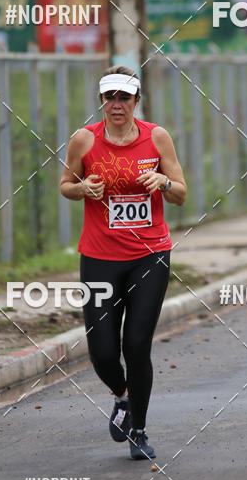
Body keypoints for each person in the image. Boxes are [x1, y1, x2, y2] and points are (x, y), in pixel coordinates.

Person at [59, 66, 187, 460]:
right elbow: (65, 186)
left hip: (150, 255)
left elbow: (181, 193)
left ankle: (139, 432)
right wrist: (83, 188)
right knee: (101, 351)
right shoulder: (84, 140)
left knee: (136, 344)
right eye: (110, 97)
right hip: (99, 257)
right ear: (101, 101)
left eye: (124, 98)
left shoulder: (156, 137)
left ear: (136, 101)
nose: (117, 104)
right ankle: (122, 395)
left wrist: (164, 182)